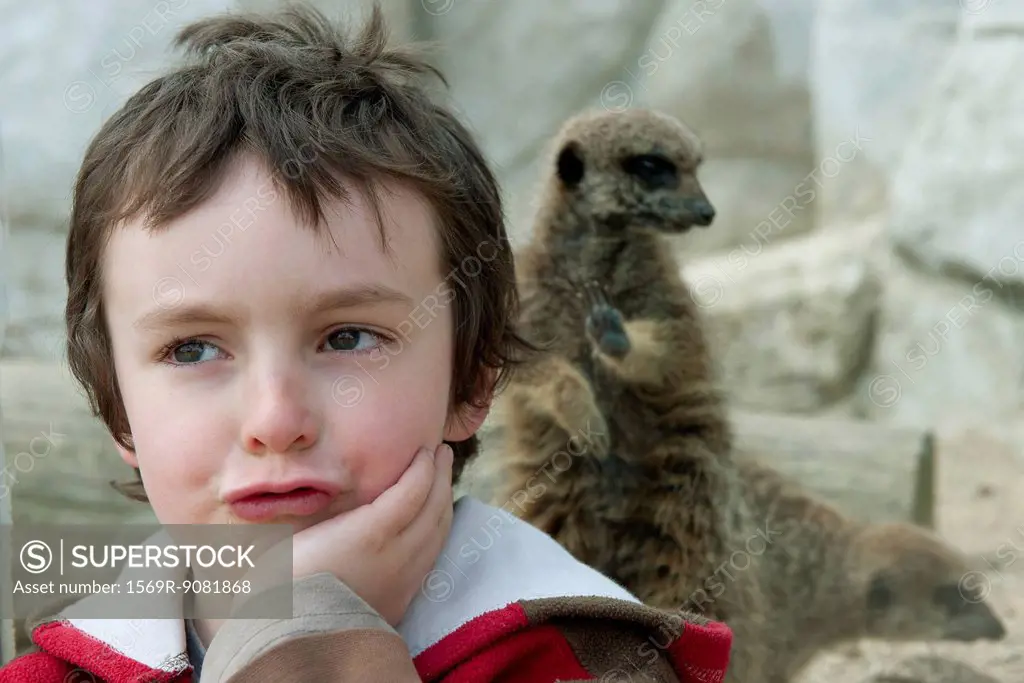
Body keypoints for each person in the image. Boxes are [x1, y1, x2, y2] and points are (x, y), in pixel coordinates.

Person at [0, 4, 732, 682]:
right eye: (192, 348)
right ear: (119, 408)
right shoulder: (62, 664)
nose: (274, 419)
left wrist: (303, 634)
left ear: (472, 378)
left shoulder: (579, 654)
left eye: (347, 336)